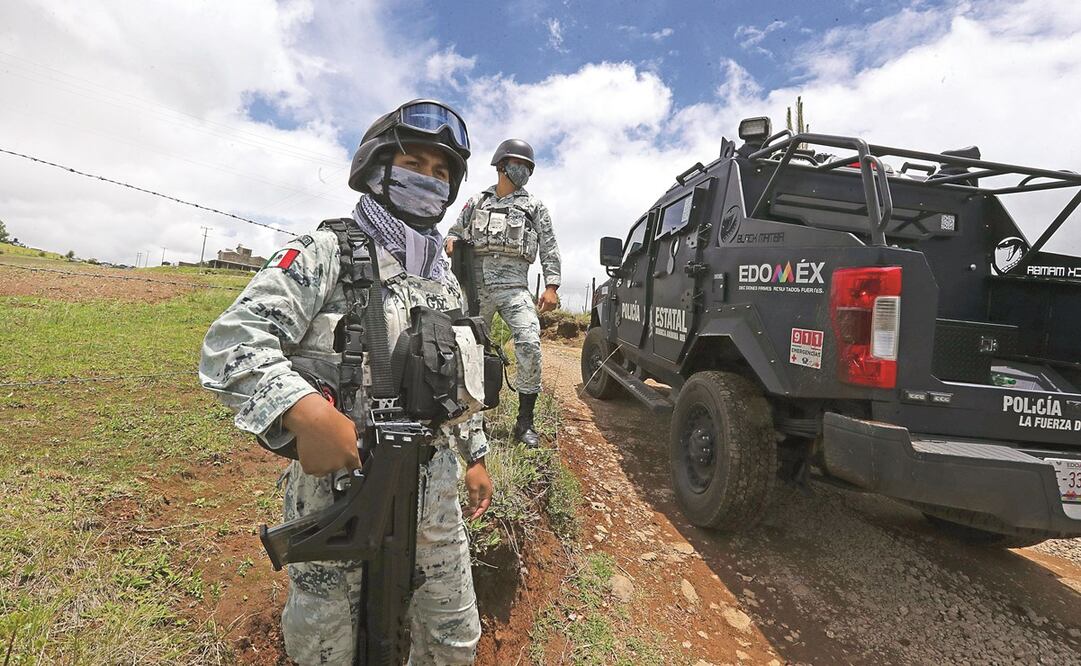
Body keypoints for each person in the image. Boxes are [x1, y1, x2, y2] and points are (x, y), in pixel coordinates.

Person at [199, 99, 492, 665]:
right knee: (326, 645)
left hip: (436, 493)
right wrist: (303, 409)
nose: (429, 181)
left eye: (442, 173)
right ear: (378, 167)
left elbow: (462, 383)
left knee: (454, 638)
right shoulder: (328, 250)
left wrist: (474, 455)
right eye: (417, 164)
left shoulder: (446, 281)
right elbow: (232, 340)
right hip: (338, 495)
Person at [445, 139, 561, 447]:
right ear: (501, 166)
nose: (522, 170)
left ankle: (524, 423)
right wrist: (452, 242)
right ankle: (469, 418)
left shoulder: (534, 207)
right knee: (467, 348)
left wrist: (552, 285)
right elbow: (454, 232)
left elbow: (549, 246)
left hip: (514, 288)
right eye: (517, 164)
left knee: (529, 343)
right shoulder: (476, 203)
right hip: (477, 289)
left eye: (527, 167)